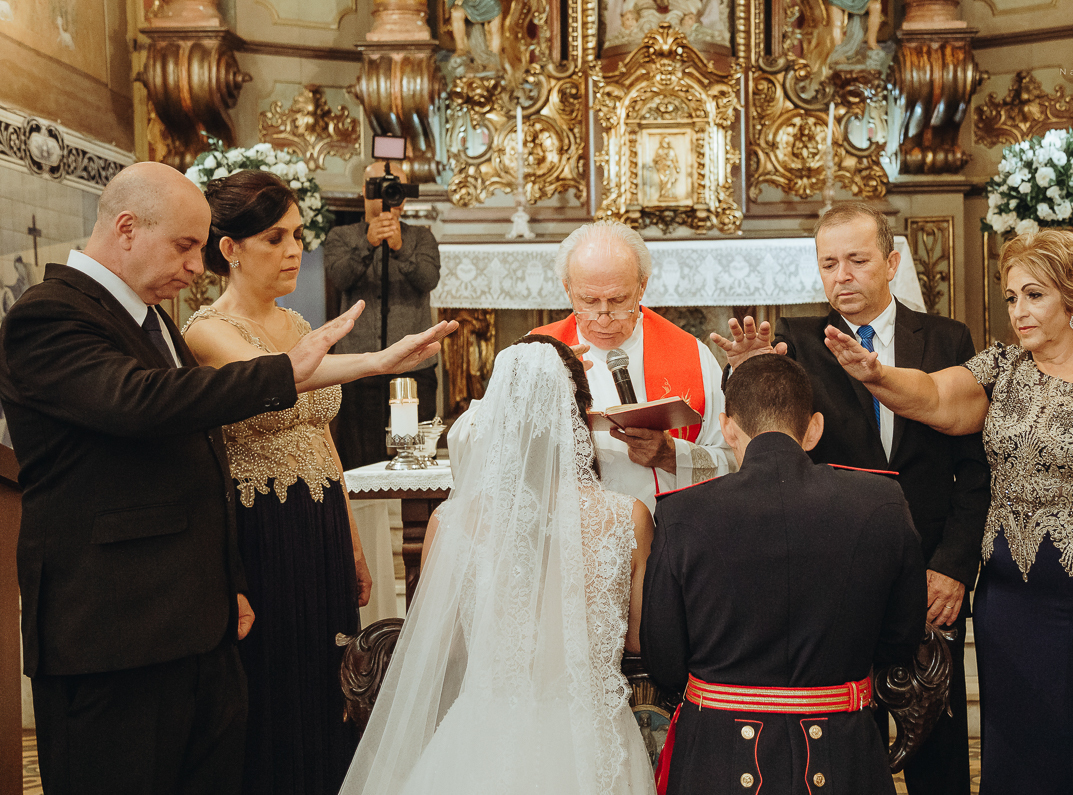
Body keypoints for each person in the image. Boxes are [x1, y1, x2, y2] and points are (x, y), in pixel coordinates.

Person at [0, 161, 456, 795]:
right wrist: (289, 372)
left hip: (192, 620)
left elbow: (203, 455)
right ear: (127, 228)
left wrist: (228, 581)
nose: (196, 264)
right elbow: (140, 402)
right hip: (113, 630)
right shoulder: (47, 314)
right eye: (186, 245)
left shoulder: (150, 317)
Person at [824, 228, 1073, 794]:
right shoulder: (1001, 369)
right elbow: (935, 397)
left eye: (1034, 295)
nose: (1019, 311)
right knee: (1018, 751)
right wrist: (877, 375)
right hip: (1010, 603)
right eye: (1011, 297)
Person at [713, 201, 988, 795]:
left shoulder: (946, 337)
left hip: (934, 573)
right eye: (829, 263)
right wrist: (748, 373)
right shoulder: (799, 343)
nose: (842, 275)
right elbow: (772, 447)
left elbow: (976, 470)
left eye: (857, 260)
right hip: (839, 571)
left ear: (890, 263)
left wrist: (953, 566)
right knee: (842, 744)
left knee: (937, 741)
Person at [339, 336, 656, 795]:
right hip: (591, 740)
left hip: (479, 738)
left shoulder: (450, 522)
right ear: (579, 415)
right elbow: (637, 639)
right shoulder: (627, 519)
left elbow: (441, 648)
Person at [641, 353, 927, 795]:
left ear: (729, 427)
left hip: (717, 755)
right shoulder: (883, 502)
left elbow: (664, 660)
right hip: (843, 752)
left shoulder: (682, 514)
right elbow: (900, 640)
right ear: (814, 428)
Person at [181, 170, 373, 794]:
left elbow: (321, 438)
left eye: (297, 235)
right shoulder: (206, 331)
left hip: (318, 520)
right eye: (274, 238)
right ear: (229, 248)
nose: (294, 250)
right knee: (275, 684)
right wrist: (378, 359)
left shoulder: (297, 324)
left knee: (332, 678)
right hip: (262, 529)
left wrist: (351, 537)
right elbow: (279, 385)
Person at [451, 221, 735, 512]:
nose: (603, 317)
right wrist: (523, 396)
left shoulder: (691, 355)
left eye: (618, 299)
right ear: (567, 289)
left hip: (669, 535)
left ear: (642, 287)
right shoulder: (534, 353)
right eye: (588, 300)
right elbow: (467, 444)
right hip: (565, 534)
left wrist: (671, 455)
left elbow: (734, 459)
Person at [325, 160, 442, 471]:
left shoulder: (422, 237)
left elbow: (428, 279)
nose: (390, 194)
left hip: (414, 363)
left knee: (418, 458)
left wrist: (400, 248)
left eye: (397, 187)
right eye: (380, 186)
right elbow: (339, 277)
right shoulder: (341, 236)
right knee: (359, 459)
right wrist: (368, 243)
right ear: (365, 191)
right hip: (359, 361)